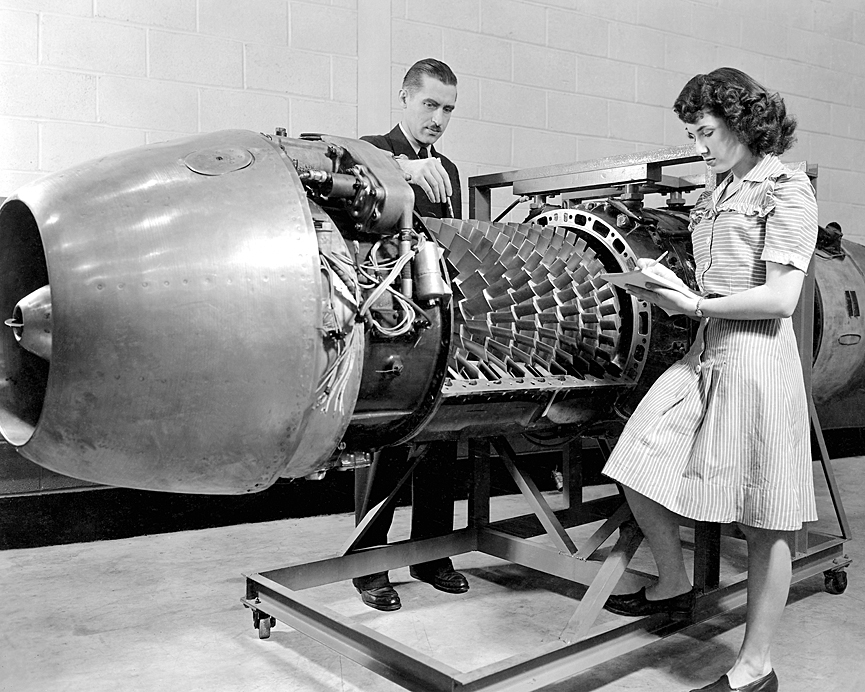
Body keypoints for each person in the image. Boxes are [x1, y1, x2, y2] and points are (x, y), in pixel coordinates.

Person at [601, 67, 818, 692]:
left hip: (756, 361)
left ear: (741, 122)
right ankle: (675, 581)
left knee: (764, 516)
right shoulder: (718, 185)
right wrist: (668, 286)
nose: (698, 144)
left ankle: (756, 668)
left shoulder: (785, 189)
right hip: (708, 347)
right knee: (635, 455)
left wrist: (695, 304)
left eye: (705, 131)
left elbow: (780, 297)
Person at [350, 58, 467, 612]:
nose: (438, 119)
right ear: (404, 98)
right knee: (388, 441)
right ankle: (367, 562)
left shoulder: (452, 171)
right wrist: (400, 173)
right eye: (430, 105)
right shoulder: (370, 150)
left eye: (447, 109)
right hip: (385, 321)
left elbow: (453, 244)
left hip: (437, 317)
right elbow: (348, 204)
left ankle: (432, 552)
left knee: (442, 436)